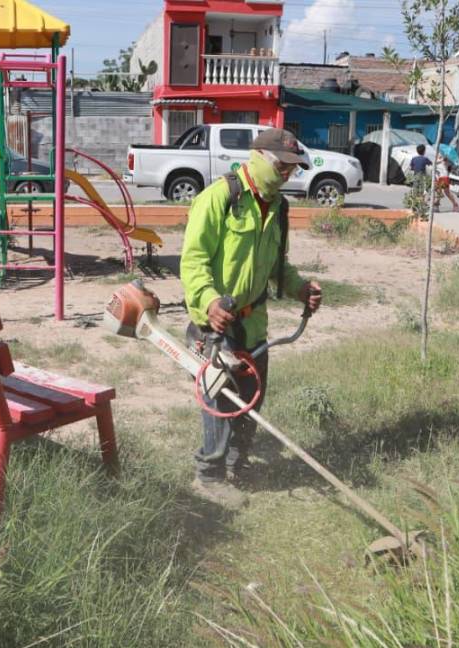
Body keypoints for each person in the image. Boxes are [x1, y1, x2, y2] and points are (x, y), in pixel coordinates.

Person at [180, 128, 324, 509]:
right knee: (220, 400)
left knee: (250, 401)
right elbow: (193, 261)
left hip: (254, 323)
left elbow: (278, 266)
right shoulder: (219, 198)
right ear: (258, 157)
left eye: (292, 169)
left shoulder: (279, 208)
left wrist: (299, 288)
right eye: (281, 166)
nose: (286, 175)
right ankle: (209, 476)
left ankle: (237, 465)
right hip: (216, 324)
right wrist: (208, 302)